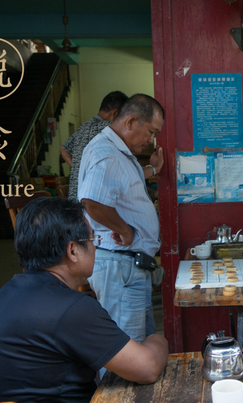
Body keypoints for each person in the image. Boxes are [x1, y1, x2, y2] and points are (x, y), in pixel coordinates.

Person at [0, 197, 169, 403]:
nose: (95, 246)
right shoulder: (71, 309)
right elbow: (147, 367)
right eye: (93, 239)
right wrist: (158, 339)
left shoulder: (9, 290)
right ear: (73, 250)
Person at [78, 94, 164, 343]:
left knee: (140, 345)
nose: (151, 140)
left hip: (129, 266)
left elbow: (125, 185)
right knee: (126, 353)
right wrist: (125, 230)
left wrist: (154, 169)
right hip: (120, 265)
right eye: (150, 132)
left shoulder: (119, 152)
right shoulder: (107, 153)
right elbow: (92, 201)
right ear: (131, 122)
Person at [60, 91, 128, 201]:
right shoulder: (108, 127)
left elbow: (63, 148)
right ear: (115, 113)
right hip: (91, 197)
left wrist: (77, 166)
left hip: (74, 195)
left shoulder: (85, 126)